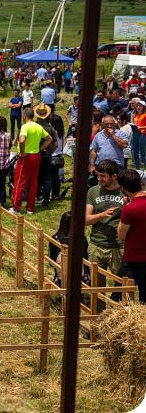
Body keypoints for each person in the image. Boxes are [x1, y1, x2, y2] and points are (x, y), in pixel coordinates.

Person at [85, 160, 125, 278]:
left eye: (103, 176)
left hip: (118, 247)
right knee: (95, 287)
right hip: (96, 245)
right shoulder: (93, 191)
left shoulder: (124, 193)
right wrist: (102, 215)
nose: (99, 178)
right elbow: (86, 220)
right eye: (98, 175)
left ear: (114, 176)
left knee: (122, 284)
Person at [10, 108, 52, 215]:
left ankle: (16, 208)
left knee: (19, 182)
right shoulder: (38, 127)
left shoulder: (25, 126)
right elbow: (49, 139)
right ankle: (30, 208)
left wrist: (23, 152)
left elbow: (22, 140)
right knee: (33, 182)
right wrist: (40, 149)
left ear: (24, 116)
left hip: (26, 157)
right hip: (36, 156)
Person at [117, 168, 146, 303]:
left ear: (123, 188)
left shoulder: (129, 209)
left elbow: (121, 235)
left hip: (133, 259)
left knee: (121, 296)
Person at [89, 114, 128, 180]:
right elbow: (93, 151)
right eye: (107, 124)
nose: (109, 126)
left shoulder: (120, 133)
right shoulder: (98, 136)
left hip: (116, 166)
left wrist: (113, 135)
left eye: (111, 124)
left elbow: (124, 145)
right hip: (101, 166)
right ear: (102, 124)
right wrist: (92, 165)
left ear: (114, 124)